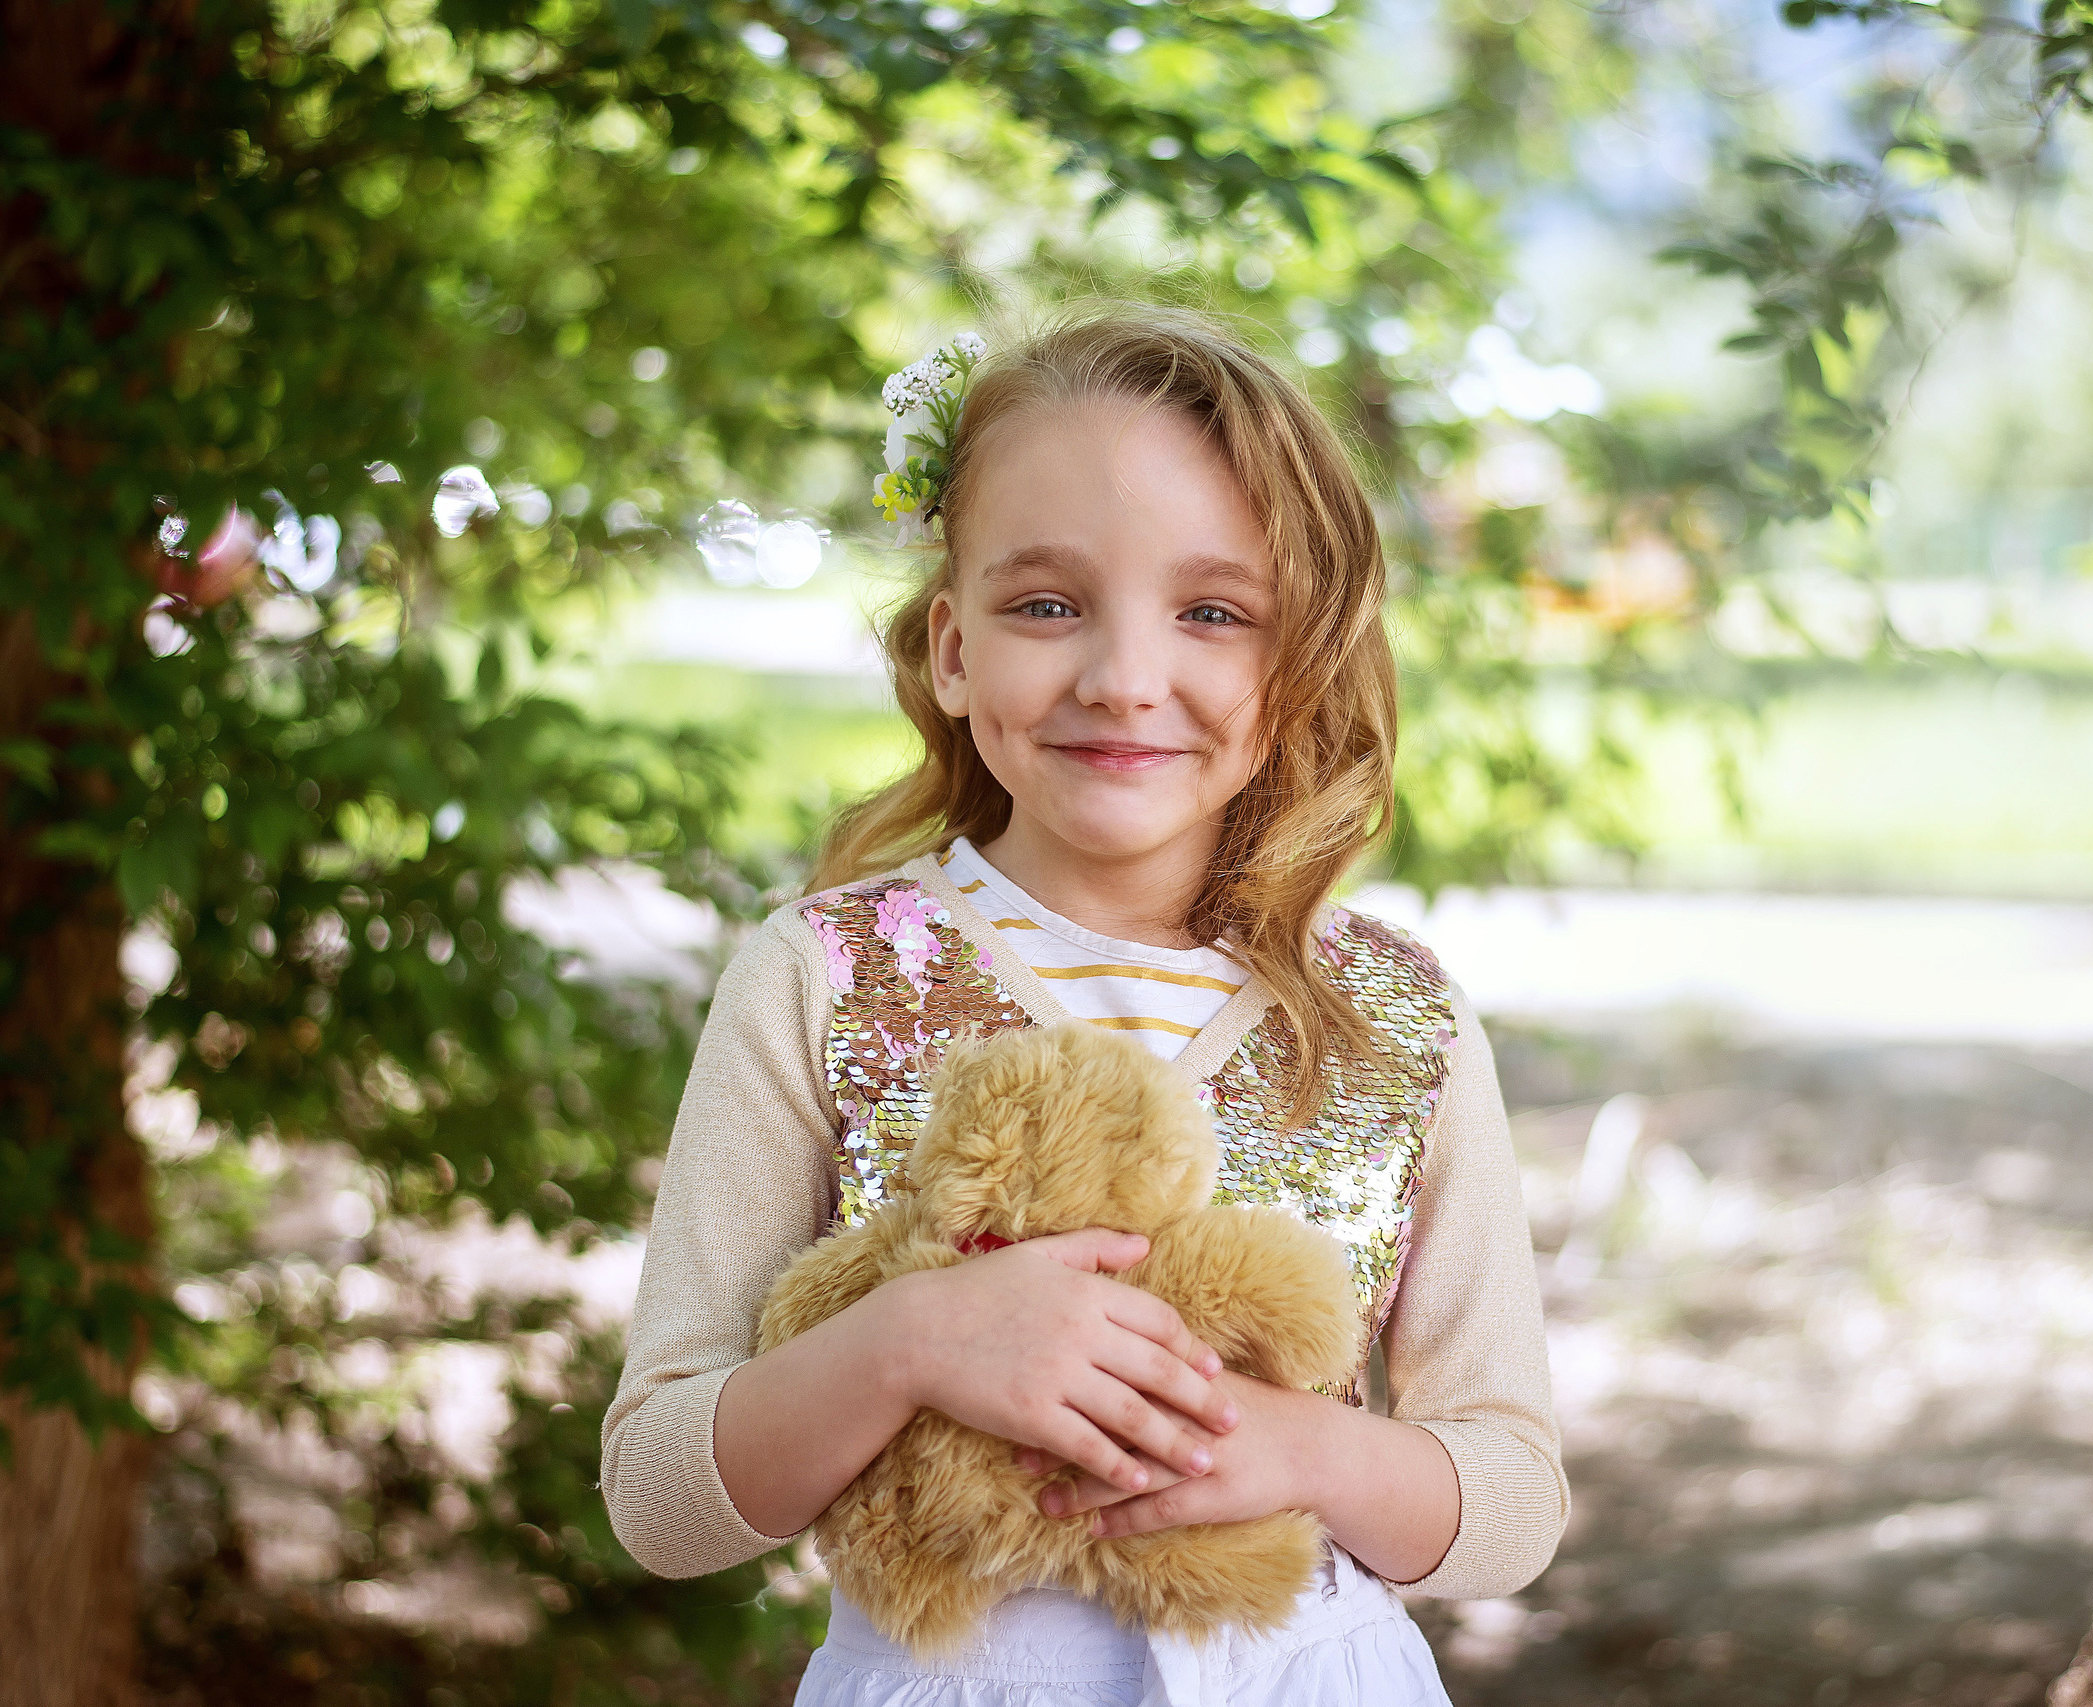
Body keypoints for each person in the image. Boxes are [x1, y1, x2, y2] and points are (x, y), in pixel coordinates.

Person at [602, 307, 1566, 1707]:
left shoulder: (1394, 1020)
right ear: (950, 648)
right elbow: (658, 1496)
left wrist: (1295, 1449)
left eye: (1212, 613)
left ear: (1292, 663)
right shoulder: (824, 977)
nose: (1123, 677)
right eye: (1046, 603)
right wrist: (911, 1342)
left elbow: (1514, 1499)